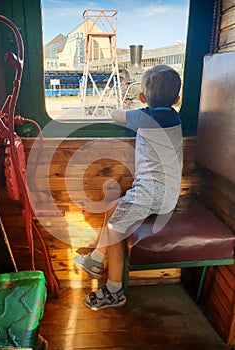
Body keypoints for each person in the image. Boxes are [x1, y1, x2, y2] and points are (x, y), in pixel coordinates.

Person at [74, 64, 183, 310]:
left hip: (150, 193)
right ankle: (95, 259)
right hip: (169, 194)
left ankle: (114, 291)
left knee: (115, 228)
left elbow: (115, 115)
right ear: (177, 99)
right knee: (113, 207)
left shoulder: (144, 116)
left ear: (143, 97)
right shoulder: (175, 117)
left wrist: (129, 103)